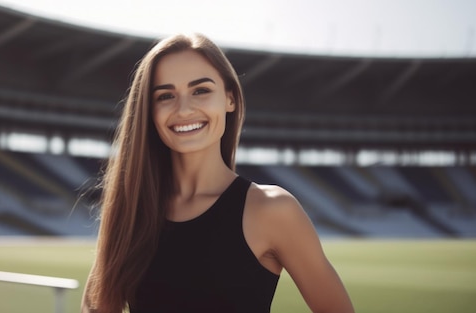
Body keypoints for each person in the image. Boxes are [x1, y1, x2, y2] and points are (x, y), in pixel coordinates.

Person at [81, 33, 354, 313]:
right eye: (165, 96)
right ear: (149, 112)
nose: (184, 109)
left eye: (200, 90)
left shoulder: (272, 209)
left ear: (230, 99)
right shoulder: (132, 208)